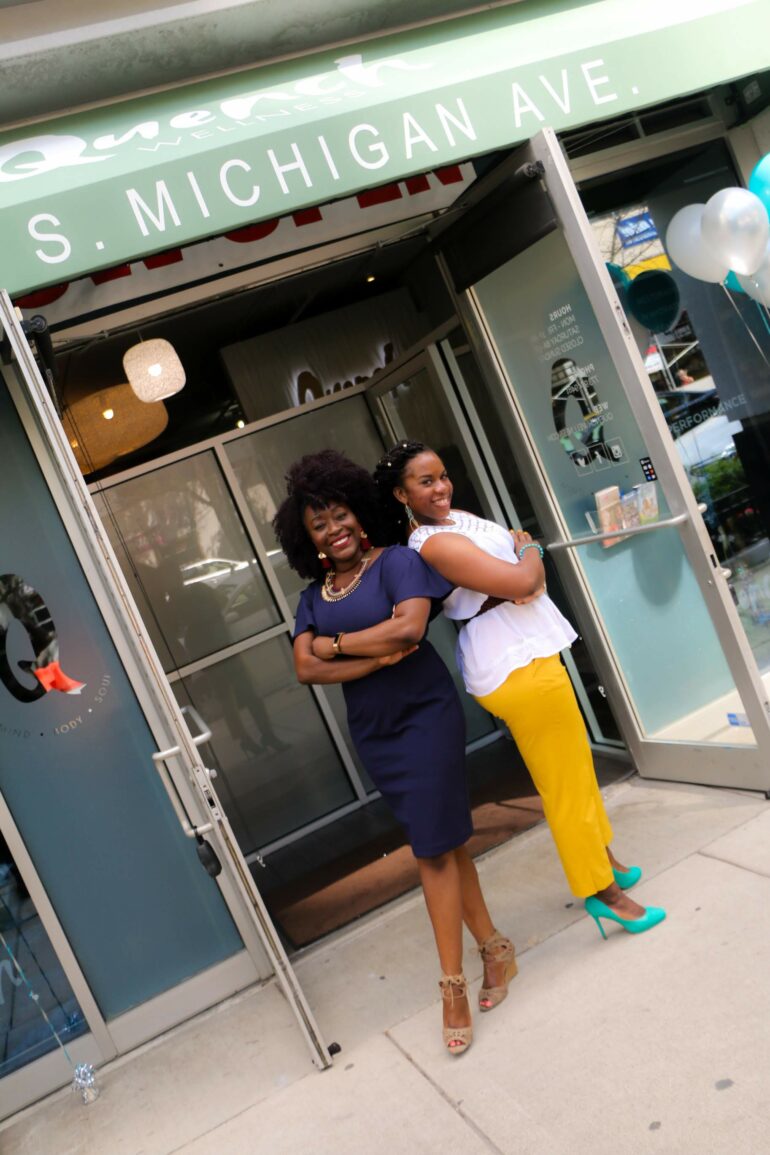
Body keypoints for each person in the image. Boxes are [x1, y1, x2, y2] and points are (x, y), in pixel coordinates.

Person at [273, 450, 517, 1056]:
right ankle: (495, 949)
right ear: (309, 540)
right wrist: (366, 659)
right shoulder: (312, 597)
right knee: (444, 841)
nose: (335, 529)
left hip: (425, 716)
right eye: (319, 524)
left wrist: (335, 647)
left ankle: (452, 987)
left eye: (340, 514)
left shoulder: (398, 563)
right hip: (375, 730)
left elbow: (408, 628)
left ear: (360, 512)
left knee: (430, 850)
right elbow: (304, 668)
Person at [373, 440, 666, 940]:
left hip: (528, 647)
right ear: (402, 494)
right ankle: (602, 893)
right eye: (426, 482)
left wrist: (521, 559)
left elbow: (518, 573)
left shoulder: (456, 520)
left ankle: (606, 862)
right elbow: (524, 581)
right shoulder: (432, 543)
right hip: (512, 662)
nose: (441, 487)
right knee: (564, 784)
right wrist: (529, 549)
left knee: (575, 769)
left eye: (443, 475)